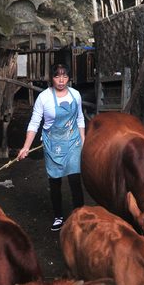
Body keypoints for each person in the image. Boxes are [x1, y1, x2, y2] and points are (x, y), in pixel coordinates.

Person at [17, 62, 85, 231]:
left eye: (65, 76)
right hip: (53, 144)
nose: (61, 80)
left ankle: (82, 215)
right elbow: (34, 122)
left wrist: (83, 141)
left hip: (73, 141)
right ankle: (58, 217)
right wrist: (26, 146)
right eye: (57, 76)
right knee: (55, 181)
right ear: (52, 78)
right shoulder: (44, 98)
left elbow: (79, 118)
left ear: (69, 77)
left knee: (75, 179)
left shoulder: (75, 95)